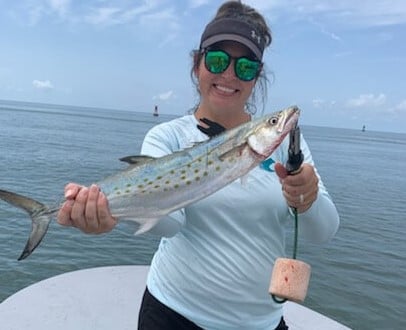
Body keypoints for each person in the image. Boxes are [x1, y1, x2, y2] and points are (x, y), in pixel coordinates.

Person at [57, 1, 340, 329]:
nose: (229, 75)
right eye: (218, 60)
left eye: (245, 67)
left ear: (256, 77)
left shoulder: (289, 147)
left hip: (260, 323)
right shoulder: (169, 136)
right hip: (172, 314)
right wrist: (111, 215)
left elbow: (323, 232)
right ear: (198, 64)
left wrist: (307, 196)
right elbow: (171, 223)